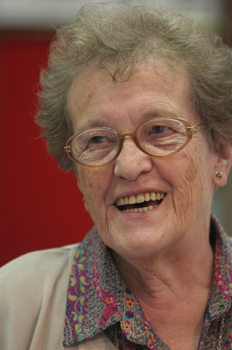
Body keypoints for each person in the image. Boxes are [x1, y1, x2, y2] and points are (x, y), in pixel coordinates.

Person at [1, 2, 232, 350]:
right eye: (97, 140)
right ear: (78, 172)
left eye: (158, 130)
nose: (128, 165)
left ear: (222, 153)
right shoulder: (13, 306)